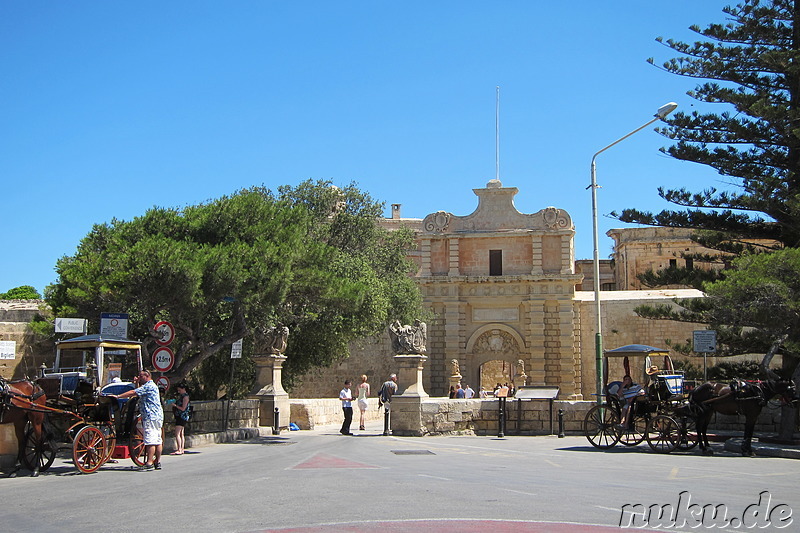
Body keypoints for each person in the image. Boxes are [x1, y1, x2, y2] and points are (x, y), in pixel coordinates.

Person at [112, 369, 164, 471]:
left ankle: (149, 463)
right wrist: (136, 383)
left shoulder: (149, 386)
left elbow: (134, 392)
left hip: (150, 416)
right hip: (157, 416)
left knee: (150, 440)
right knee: (158, 440)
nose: (139, 378)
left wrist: (118, 396)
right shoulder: (151, 386)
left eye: (141, 376)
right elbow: (139, 392)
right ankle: (157, 462)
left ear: (147, 376)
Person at [171, 383, 190, 455]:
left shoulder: (185, 397)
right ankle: (181, 449)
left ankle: (179, 449)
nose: (179, 391)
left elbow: (183, 408)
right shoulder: (182, 396)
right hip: (180, 416)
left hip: (182, 416)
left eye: (179, 390)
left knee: (177, 433)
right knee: (181, 433)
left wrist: (175, 406)